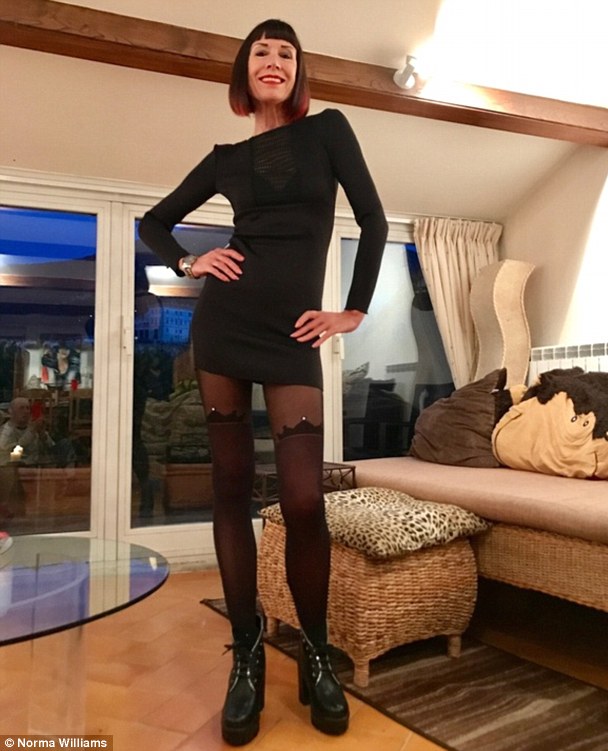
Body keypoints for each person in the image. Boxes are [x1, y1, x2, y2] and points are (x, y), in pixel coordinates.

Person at [139, 18, 387, 746]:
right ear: (243, 73)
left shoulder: (329, 131)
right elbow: (156, 222)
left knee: (304, 500)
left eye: (286, 53)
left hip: (295, 335)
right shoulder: (225, 159)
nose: (273, 61)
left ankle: (315, 650)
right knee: (229, 488)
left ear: (299, 71)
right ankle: (246, 651)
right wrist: (191, 262)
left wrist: (354, 310)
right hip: (224, 327)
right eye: (260, 53)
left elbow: (373, 220)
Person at [0, 397, 56, 467]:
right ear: (11, 411)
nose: (26, 411)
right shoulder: (6, 431)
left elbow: (52, 447)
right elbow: (12, 450)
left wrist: (42, 434)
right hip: (16, 468)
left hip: (37, 466)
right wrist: (31, 432)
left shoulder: (34, 427)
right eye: (21, 408)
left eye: (28, 408)